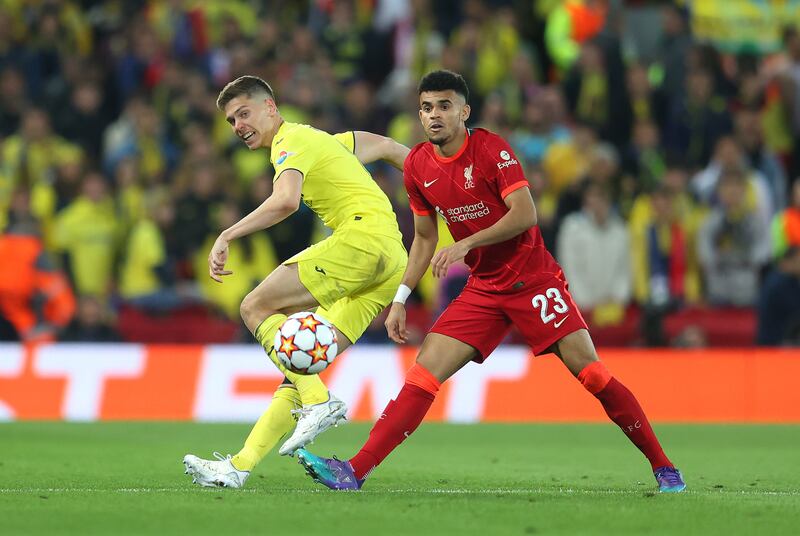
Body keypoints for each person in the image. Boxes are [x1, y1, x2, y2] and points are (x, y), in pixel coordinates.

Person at [296, 70, 686, 493]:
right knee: (423, 374)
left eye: (444, 106)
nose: (434, 116)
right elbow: (425, 239)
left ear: (464, 111)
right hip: (485, 287)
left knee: (591, 375)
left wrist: (467, 245)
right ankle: (355, 471)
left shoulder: (491, 150)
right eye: (426, 108)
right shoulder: (417, 167)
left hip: (532, 280)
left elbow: (525, 214)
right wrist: (402, 298)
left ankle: (664, 467)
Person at [183, 75, 410, 488]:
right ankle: (239, 466)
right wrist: (440, 190)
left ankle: (319, 401)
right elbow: (392, 149)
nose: (238, 125)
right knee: (299, 364)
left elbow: (286, 200)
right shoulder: (325, 141)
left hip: (359, 241)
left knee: (254, 307)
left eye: (245, 113)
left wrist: (227, 234)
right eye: (232, 120)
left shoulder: (290, 142)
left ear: (271, 107)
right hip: (390, 259)